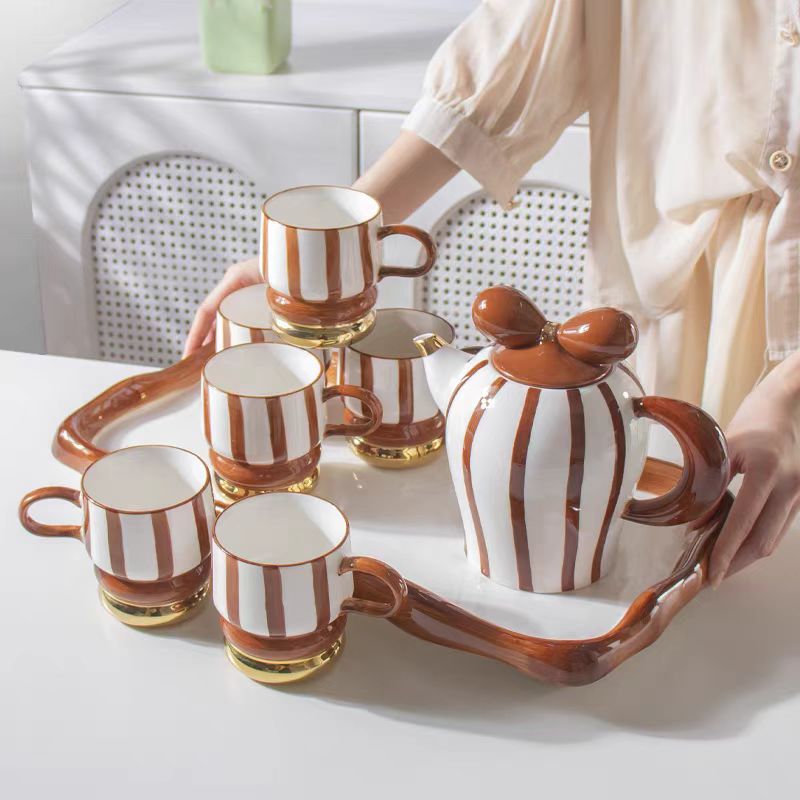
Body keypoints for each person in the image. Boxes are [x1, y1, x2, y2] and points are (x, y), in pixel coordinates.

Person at [184, 0, 800, 587]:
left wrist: (789, 391)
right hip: (672, 297)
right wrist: (324, 253)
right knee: (666, 550)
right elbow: (500, 74)